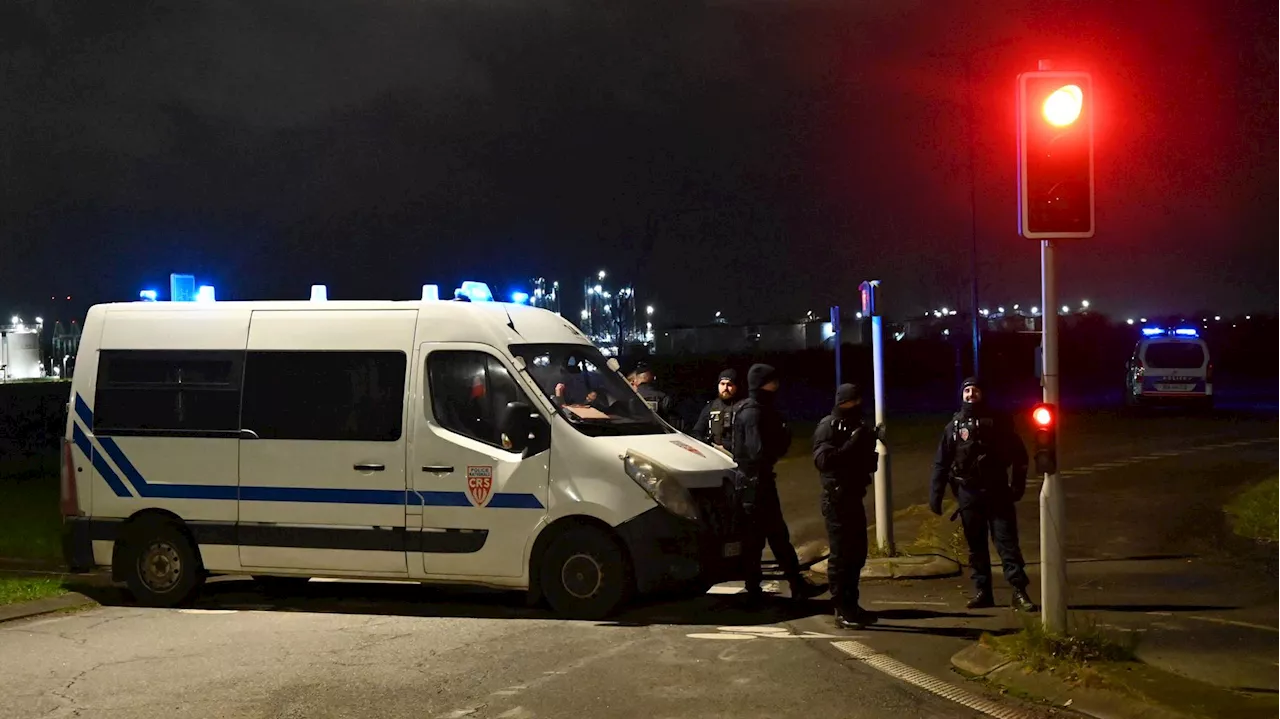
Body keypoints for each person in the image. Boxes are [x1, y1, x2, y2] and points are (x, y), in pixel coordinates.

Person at [929, 377, 1038, 612]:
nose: (970, 394)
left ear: (983, 394)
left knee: (1007, 544)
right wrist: (935, 494)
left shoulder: (998, 422)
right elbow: (941, 462)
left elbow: (1020, 456)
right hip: (968, 494)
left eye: (975, 390)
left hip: (997, 491)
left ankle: (1019, 591)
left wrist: (1017, 486)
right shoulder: (954, 427)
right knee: (976, 547)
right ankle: (983, 592)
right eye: (966, 390)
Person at [733, 363, 826, 604]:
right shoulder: (755, 411)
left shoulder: (751, 408)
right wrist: (781, 440)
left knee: (770, 537)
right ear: (765, 383)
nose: (778, 386)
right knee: (765, 537)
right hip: (755, 483)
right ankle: (768, 588)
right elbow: (757, 451)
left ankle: (782, 586)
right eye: (773, 381)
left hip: (754, 482)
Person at [813, 383, 882, 629]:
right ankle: (841, 608)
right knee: (841, 555)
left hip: (853, 496)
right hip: (836, 498)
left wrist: (870, 440)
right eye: (852, 402)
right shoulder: (828, 426)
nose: (856, 406)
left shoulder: (857, 426)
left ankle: (852, 604)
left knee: (857, 554)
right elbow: (823, 461)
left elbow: (865, 462)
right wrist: (853, 444)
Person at [692, 369, 741, 455]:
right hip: (713, 452)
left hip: (735, 454)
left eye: (729, 384)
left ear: (736, 386)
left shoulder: (742, 407)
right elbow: (697, 430)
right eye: (722, 384)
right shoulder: (711, 406)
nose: (725, 388)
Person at [633, 362, 680, 429]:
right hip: (659, 433)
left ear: (636, 380)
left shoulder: (628, 396)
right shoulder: (663, 397)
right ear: (654, 379)